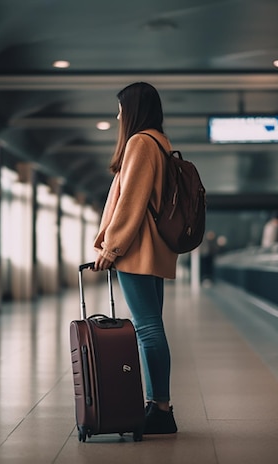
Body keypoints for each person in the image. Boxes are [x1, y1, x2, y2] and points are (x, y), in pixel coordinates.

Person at [92, 82, 178, 434]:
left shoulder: (140, 142)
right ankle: (158, 405)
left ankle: (160, 408)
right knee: (151, 326)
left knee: (147, 329)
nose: (117, 116)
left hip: (137, 249)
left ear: (132, 109)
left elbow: (132, 202)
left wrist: (111, 249)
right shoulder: (161, 142)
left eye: (120, 108)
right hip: (153, 248)